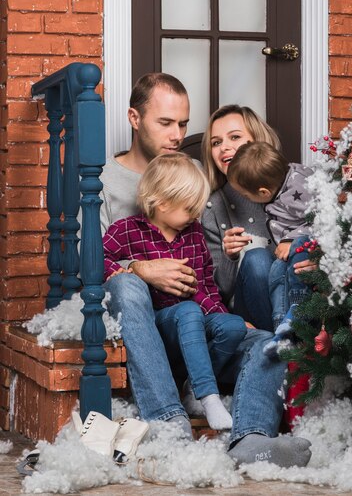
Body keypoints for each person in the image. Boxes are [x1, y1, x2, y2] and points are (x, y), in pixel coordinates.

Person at [102, 75, 311, 468]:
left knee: (267, 338)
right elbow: (96, 268)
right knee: (135, 288)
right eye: (166, 123)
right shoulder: (106, 189)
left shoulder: (199, 198)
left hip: (203, 330)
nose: (178, 134)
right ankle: (168, 422)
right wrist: (140, 269)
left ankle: (250, 436)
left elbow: (207, 283)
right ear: (134, 118)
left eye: (183, 124)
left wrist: (229, 318)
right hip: (154, 323)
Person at [103, 153, 247, 430]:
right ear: (161, 202)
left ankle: (193, 386)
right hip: (160, 325)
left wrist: (219, 315)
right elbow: (99, 259)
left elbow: (205, 284)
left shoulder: (193, 234)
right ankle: (209, 396)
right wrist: (123, 270)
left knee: (233, 326)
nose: (196, 215)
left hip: (195, 323)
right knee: (188, 310)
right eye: (189, 208)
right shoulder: (126, 230)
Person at [201, 105, 314, 332]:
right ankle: (281, 339)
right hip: (253, 316)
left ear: (257, 141)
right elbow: (219, 291)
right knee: (257, 258)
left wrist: (316, 259)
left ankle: (294, 338)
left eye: (234, 137)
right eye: (216, 142)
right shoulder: (213, 207)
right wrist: (230, 256)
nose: (224, 147)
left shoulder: (294, 186)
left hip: (299, 299)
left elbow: (327, 225)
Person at [227, 141, 314, 355]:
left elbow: (323, 217)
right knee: (275, 269)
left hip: (303, 248)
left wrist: (290, 239)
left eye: (247, 196)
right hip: (278, 264)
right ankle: (281, 326)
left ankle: (295, 315)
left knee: (292, 264)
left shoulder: (297, 192)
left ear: (264, 192)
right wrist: (230, 256)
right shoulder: (284, 179)